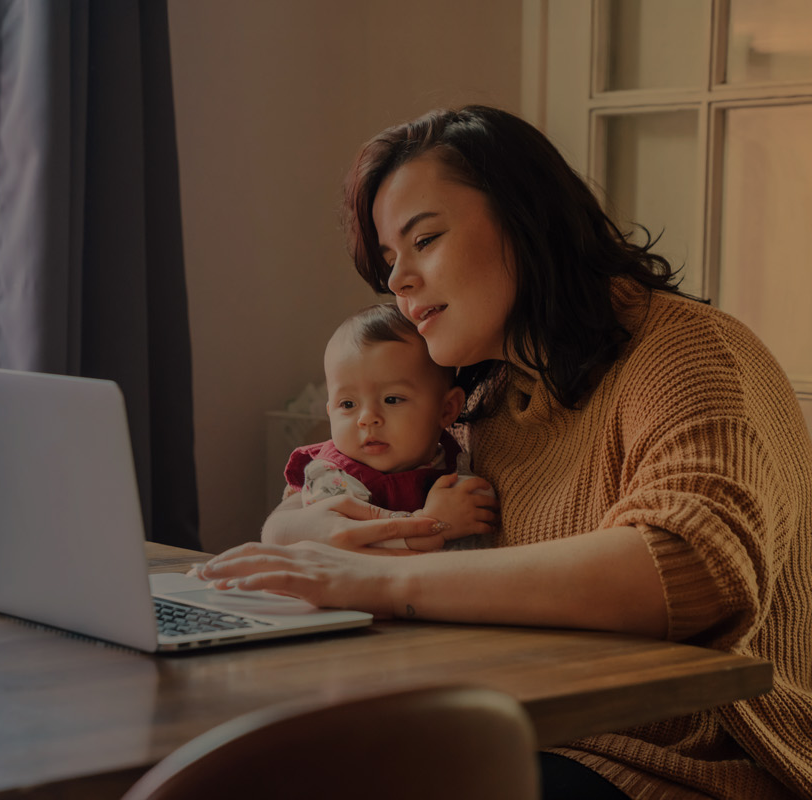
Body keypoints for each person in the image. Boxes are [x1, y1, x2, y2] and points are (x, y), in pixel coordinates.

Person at [195, 106, 812, 798]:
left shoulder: (689, 352)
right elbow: (319, 497)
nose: (398, 280)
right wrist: (296, 531)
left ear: (527, 220)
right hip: (526, 726)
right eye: (390, 260)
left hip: (687, 764)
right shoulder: (487, 401)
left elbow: (689, 565)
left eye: (423, 239)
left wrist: (378, 582)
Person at [285, 303, 495, 550]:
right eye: (348, 403)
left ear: (447, 409)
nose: (367, 418)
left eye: (392, 399)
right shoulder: (335, 479)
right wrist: (435, 523)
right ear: (330, 412)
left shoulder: (449, 461)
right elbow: (347, 547)